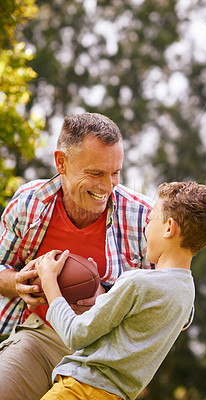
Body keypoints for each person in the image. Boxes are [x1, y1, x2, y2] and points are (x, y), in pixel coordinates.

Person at [0, 113, 157, 400]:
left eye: (115, 173)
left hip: (106, 357)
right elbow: (2, 266)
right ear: (61, 162)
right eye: (96, 173)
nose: (108, 186)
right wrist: (19, 283)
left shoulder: (145, 218)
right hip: (42, 337)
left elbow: (177, 302)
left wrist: (112, 304)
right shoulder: (28, 203)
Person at [33, 181, 206, 400]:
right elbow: (128, 330)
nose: (146, 226)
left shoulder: (137, 282)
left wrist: (49, 282)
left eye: (152, 218)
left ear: (169, 228)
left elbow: (75, 335)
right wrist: (102, 297)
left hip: (79, 390)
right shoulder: (186, 293)